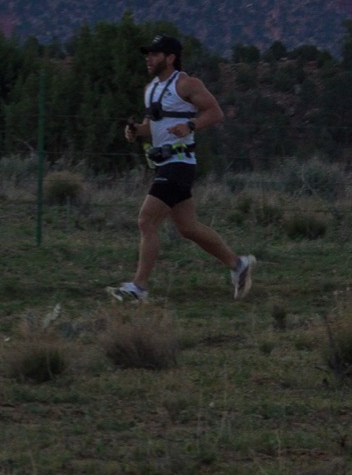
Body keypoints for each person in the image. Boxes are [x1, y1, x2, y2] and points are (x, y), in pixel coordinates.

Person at [107, 33, 255, 302]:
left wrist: (190, 126)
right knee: (187, 228)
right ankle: (238, 265)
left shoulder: (187, 84)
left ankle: (139, 288)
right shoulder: (151, 88)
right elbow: (151, 127)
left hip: (179, 164)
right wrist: (135, 131)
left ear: (170, 57)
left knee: (145, 220)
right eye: (147, 54)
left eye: (154, 53)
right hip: (164, 164)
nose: (148, 58)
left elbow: (215, 112)